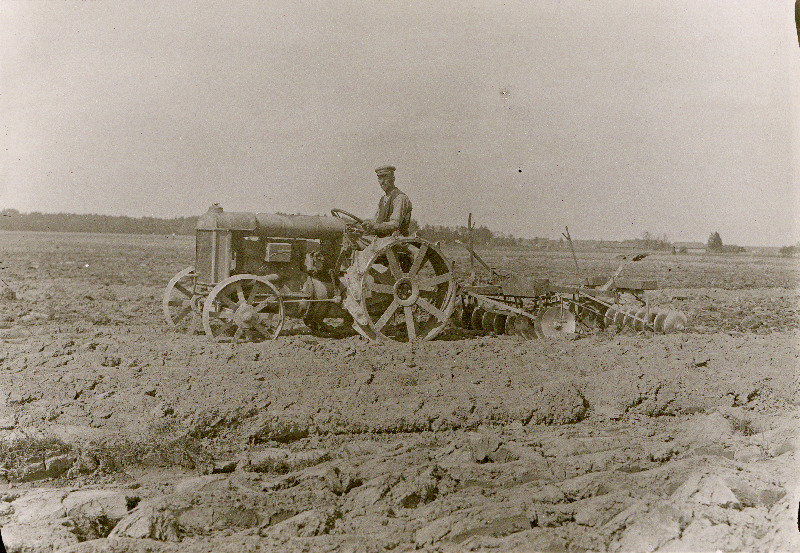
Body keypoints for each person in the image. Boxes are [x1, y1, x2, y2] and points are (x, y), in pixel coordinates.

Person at [363, 165, 413, 237]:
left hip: (396, 241)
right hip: (382, 239)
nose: (382, 182)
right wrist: (368, 223)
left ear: (393, 178)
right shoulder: (383, 199)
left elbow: (395, 224)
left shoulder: (400, 198)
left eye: (385, 177)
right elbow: (377, 220)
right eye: (380, 178)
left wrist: (375, 226)